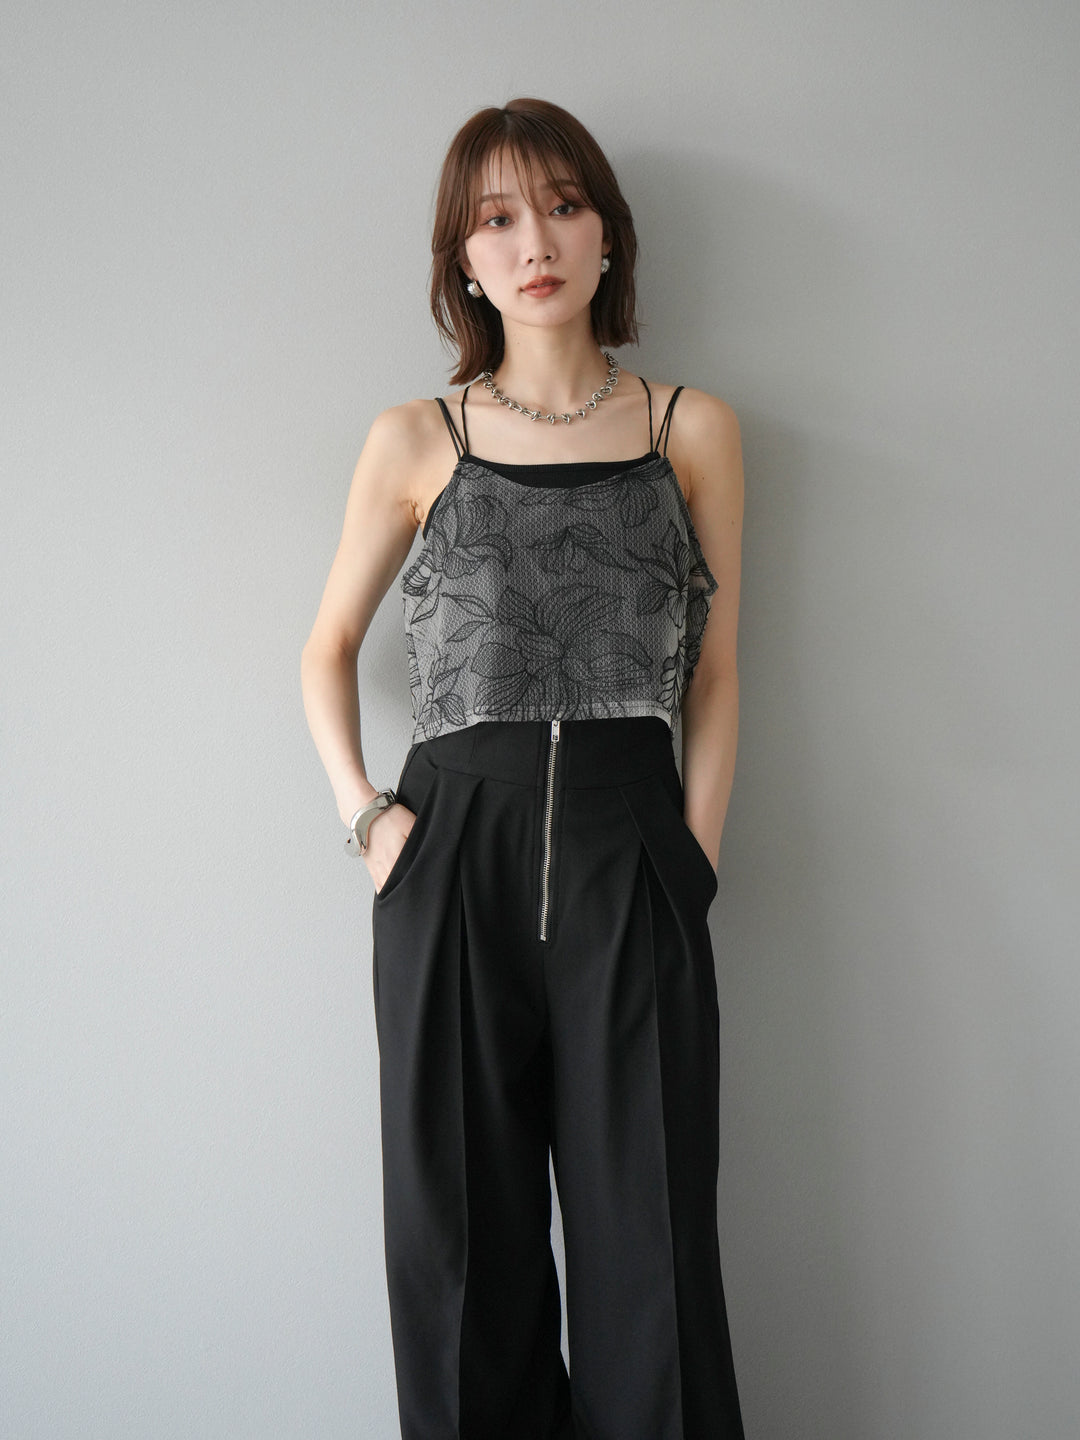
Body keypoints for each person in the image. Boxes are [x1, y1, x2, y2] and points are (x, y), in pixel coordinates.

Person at [301, 97, 746, 1440]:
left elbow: (717, 671)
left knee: (651, 1250)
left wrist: (694, 860)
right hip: (451, 852)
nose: (534, 243)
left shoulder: (689, 429)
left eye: (561, 206)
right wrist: (372, 823)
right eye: (495, 219)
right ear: (463, 258)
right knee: (460, 1254)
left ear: (609, 233)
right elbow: (326, 651)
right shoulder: (415, 438)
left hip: (634, 845)